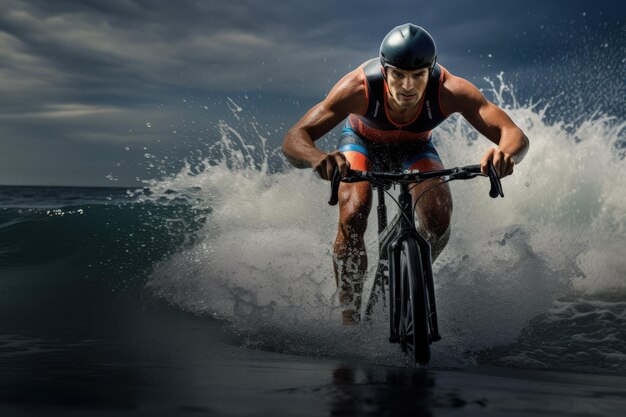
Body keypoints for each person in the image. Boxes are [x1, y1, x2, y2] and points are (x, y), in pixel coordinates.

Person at [282, 23, 529, 324]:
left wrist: (504, 154)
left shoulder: (450, 90)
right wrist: (316, 157)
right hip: (361, 144)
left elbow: (513, 134)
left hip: (415, 148)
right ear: (385, 72)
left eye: (418, 76)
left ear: (431, 72)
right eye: (398, 75)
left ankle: (408, 279)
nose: (407, 87)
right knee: (355, 210)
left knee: (438, 217)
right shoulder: (359, 88)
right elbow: (295, 137)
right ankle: (350, 320)